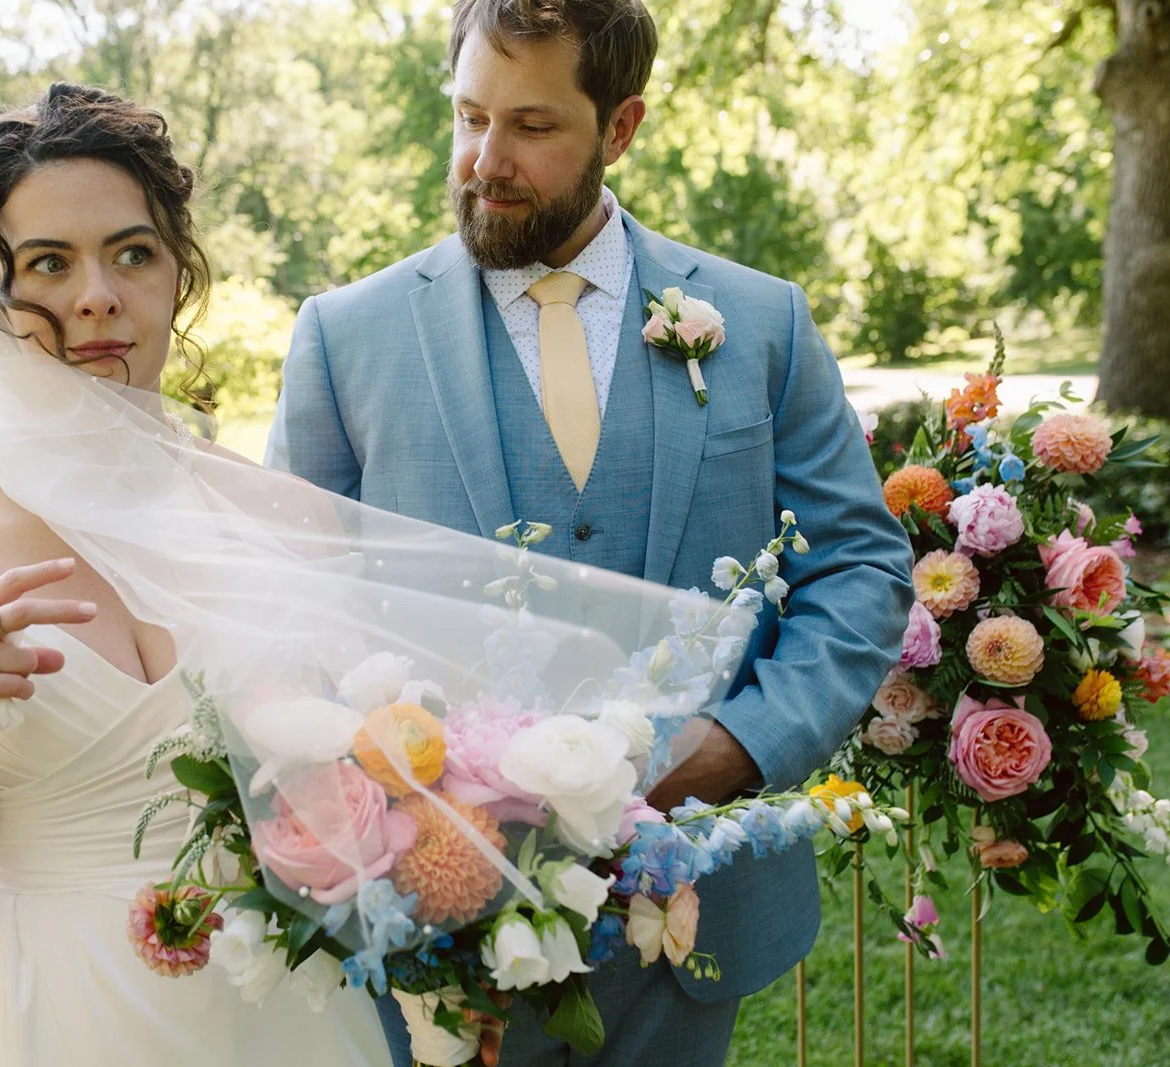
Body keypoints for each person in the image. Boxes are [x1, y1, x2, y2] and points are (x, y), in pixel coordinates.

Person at [265, 1, 914, 1064]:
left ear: (620, 128)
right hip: (433, 893)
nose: (486, 158)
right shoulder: (348, 335)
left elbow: (861, 564)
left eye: (532, 126)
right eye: (470, 116)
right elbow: (288, 594)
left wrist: (745, 743)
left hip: (692, 900)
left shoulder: (757, 322)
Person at [0, 84, 395, 1066]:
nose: (98, 295)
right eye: (48, 263)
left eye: (132, 252)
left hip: (276, 1015)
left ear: (178, 274)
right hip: (37, 1013)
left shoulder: (286, 519)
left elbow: (354, 813)